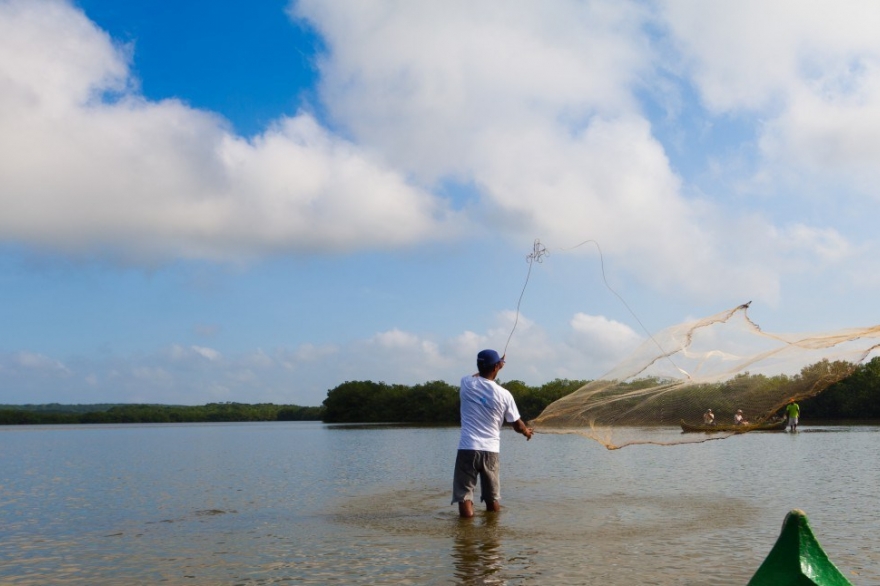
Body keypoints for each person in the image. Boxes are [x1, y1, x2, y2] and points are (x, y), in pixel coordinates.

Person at [452, 349, 533, 518]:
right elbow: (517, 425)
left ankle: (466, 539)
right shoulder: (505, 394)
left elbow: (479, 375)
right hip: (491, 451)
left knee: (465, 496)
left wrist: (496, 365)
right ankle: (492, 537)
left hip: (467, 448)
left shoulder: (466, 382)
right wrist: (526, 432)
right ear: (496, 366)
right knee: (492, 498)